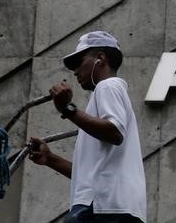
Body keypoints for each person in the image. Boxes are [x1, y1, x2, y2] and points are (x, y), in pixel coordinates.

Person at [28, 31, 147, 223]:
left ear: (100, 58)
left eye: (79, 62)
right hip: (109, 207)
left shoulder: (108, 86)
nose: (75, 71)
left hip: (103, 209)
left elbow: (115, 133)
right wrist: (50, 159)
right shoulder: (104, 95)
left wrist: (67, 109)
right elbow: (87, 176)